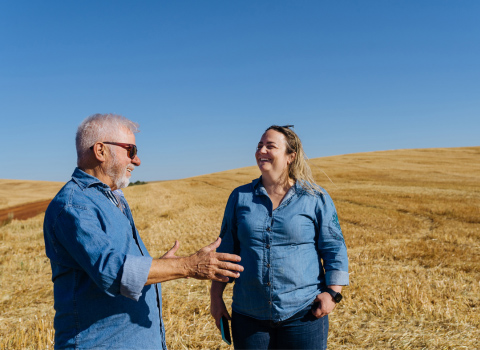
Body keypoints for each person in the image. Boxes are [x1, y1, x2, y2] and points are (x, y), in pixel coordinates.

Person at [43, 113, 244, 349]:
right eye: (131, 150)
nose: (137, 161)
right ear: (100, 151)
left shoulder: (111, 197)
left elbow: (120, 265)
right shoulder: (74, 206)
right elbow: (112, 272)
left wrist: (159, 265)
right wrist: (188, 266)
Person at [210, 125, 349, 350]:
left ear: (290, 157)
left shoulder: (314, 197)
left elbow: (334, 247)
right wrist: (216, 297)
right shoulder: (239, 197)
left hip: (304, 314)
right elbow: (226, 251)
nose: (261, 150)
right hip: (248, 314)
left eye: (270, 146)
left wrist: (333, 293)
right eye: (259, 146)